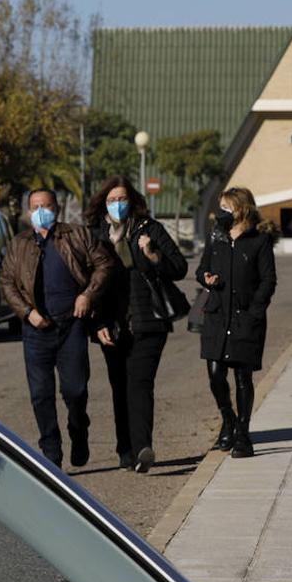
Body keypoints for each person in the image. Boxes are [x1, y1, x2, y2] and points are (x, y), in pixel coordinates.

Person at [0, 188, 118, 469]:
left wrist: (87, 295)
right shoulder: (20, 243)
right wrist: (27, 313)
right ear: (29, 212)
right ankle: (51, 452)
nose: (41, 211)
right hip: (36, 330)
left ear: (57, 208)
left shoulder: (76, 235)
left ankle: (79, 431)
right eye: (35, 206)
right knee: (41, 394)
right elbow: (6, 282)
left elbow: (104, 264)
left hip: (71, 326)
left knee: (75, 390)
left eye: (46, 206)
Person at [84, 177, 188, 473]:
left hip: (149, 320)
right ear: (103, 203)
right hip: (112, 324)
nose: (118, 205)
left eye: (123, 199)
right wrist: (97, 323)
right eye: (112, 200)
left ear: (132, 200)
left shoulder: (149, 229)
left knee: (140, 383)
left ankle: (143, 447)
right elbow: (88, 281)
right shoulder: (95, 235)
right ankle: (125, 449)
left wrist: (153, 255)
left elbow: (179, 268)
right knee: (120, 386)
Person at [196, 187, 277, 459]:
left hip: (245, 319)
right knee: (216, 375)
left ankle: (243, 433)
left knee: (242, 377)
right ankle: (227, 419)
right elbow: (201, 268)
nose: (221, 212)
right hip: (217, 316)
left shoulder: (259, 240)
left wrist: (255, 310)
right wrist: (206, 277)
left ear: (240, 208)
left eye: (226, 207)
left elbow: (268, 280)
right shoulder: (217, 236)